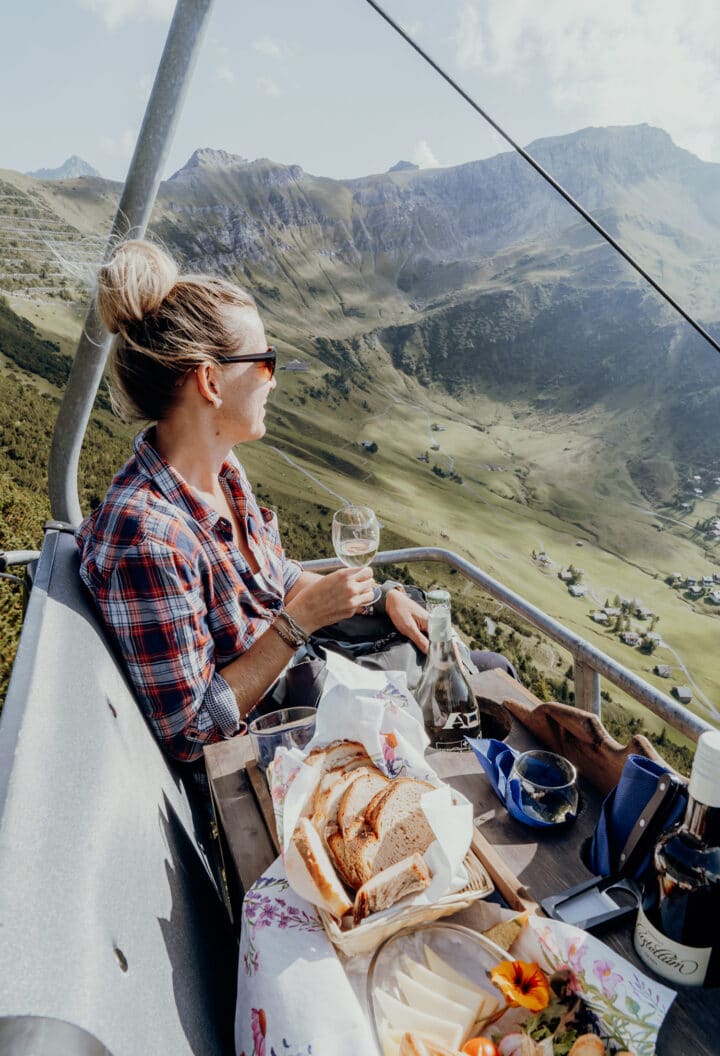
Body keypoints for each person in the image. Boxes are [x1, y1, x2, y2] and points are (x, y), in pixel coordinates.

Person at [76, 240, 432, 766]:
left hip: (305, 677)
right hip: (274, 743)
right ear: (210, 381)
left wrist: (380, 600)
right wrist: (298, 622)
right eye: (265, 362)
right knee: (461, 696)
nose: (273, 380)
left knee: (456, 658)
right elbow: (191, 733)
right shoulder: (148, 538)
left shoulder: (223, 471)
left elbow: (274, 577)